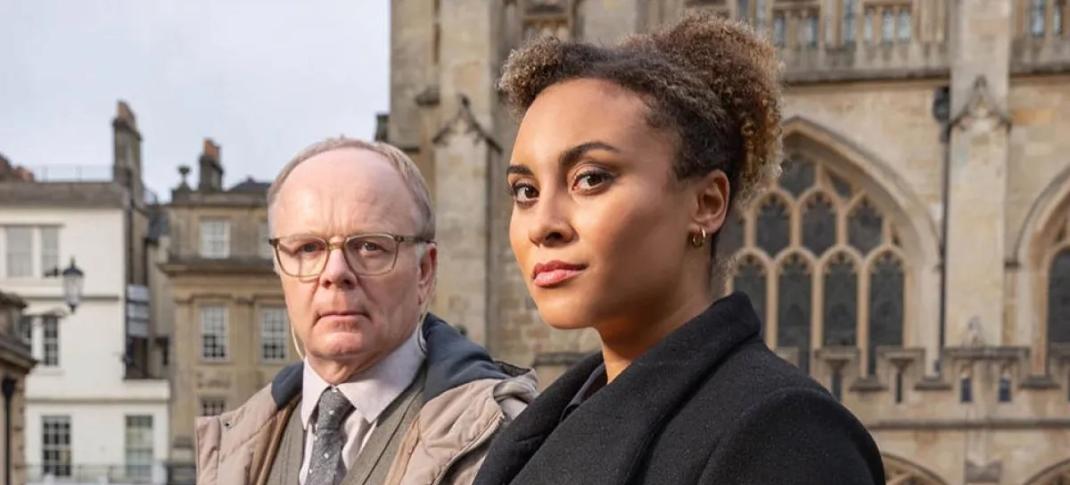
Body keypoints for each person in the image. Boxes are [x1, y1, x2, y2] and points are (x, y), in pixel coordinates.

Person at [474, 15, 885, 485]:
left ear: (706, 204)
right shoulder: (545, 425)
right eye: (525, 190)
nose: (543, 225)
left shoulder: (786, 435)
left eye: (590, 178)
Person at [194, 138, 537, 485]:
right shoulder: (234, 447)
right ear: (280, 269)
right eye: (308, 248)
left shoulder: (506, 438)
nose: (335, 272)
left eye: (369, 246)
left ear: (424, 271)